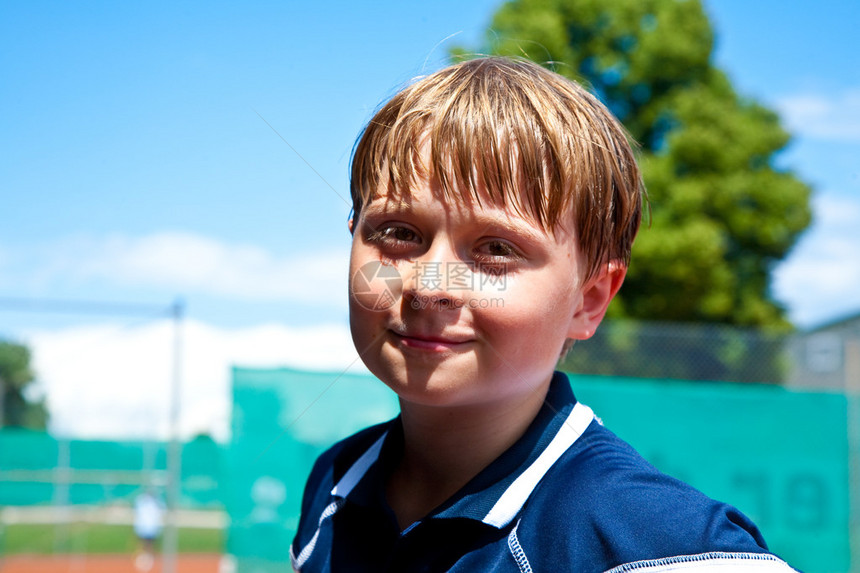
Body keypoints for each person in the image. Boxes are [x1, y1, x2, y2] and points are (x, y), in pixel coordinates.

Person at [290, 57, 797, 572]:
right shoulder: (336, 480)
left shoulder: (663, 550)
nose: (429, 286)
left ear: (589, 299)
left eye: (496, 249)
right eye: (398, 233)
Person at [133, 487, 165, 572]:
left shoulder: (156, 501)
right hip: (143, 526)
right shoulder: (141, 500)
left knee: (151, 544)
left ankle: (150, 560)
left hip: (152, 527)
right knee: (142, 544)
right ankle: (142, 559)